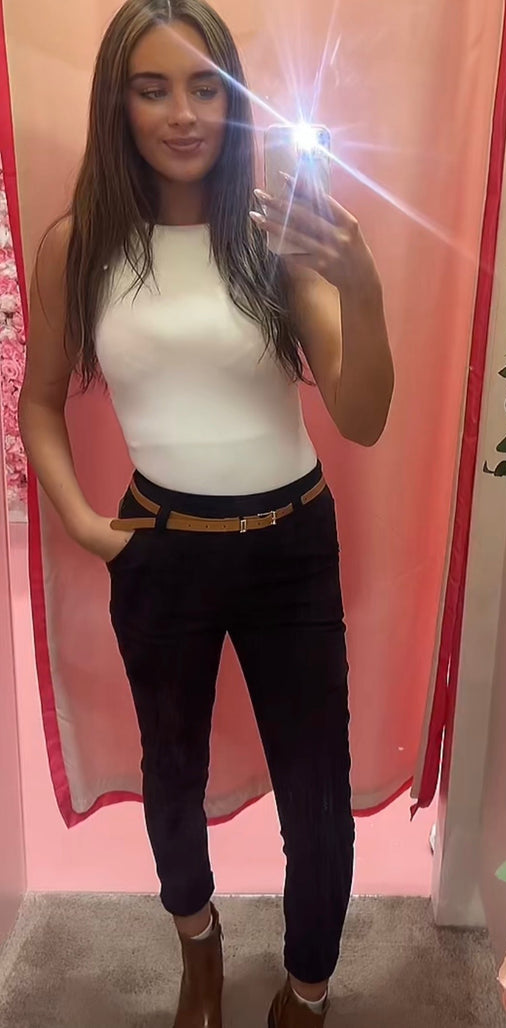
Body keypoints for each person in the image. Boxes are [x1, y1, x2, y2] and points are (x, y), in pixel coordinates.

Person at [18, 1, 394, 1025]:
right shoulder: (78, 248)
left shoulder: (274, 239)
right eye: (153, 89)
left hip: (291, 548)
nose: (183, 114)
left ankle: (307, 991)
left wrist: (361, 287)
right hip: (162, 549)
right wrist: (83, 521)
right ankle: (198, 947)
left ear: (235, 105)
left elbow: (362, 416)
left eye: (204, 89)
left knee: (318, 800)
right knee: (171, 774)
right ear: (119, 104)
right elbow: (40, 402)